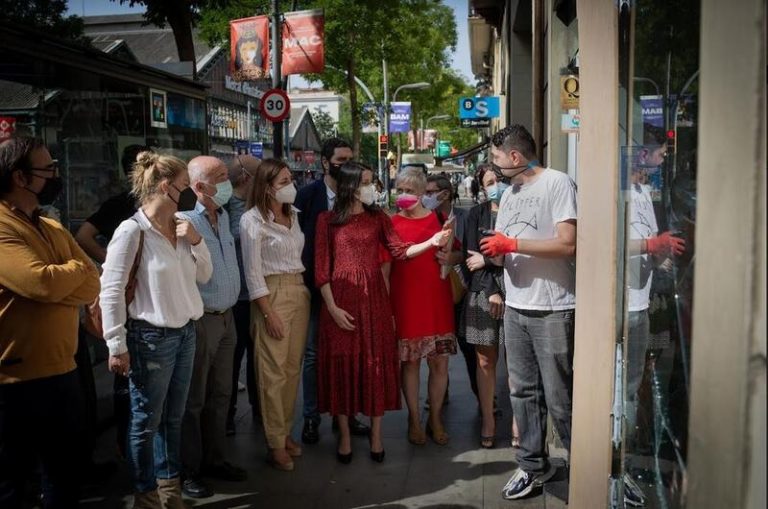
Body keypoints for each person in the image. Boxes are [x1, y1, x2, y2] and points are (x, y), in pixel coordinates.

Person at [315, 162, 450, 464]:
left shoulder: (378, 219)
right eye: (365, 182)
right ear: (350, 185)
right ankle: (345, 436)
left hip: (374, 300)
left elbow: (400, 251)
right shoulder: (327, 220)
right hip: (340, 301)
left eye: (371, 182)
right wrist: (332, 307)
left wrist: (430, 242)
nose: (371, 188)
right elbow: (321, 269)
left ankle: (377, 436)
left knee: (375, 366)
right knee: (342, 368)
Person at [100, 151, 212, 508]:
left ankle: (169, 491)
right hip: (150, 337)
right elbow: (112, 289)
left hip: (186, 333)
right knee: (146, 420)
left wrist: (196, 240)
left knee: (173, 419)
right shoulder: (132, 231)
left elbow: (204, 275)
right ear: (166, 187)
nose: (190, 194)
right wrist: (116, 342)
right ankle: (146, 494)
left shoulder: (181, 226)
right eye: (184, 187)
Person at [0, 136, 101, 508]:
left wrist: (66, 276)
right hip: (14, 380)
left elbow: (92, 280)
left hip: (63, 370)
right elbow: (40, 283)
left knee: (64, 474)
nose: (56, 176)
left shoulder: (51, 226)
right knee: (12, 481)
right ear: (20, 178)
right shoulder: (2, 225)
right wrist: (71, 272)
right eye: (48, 170)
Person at [478, 125, 577, 500]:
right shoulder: (511, 193)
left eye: (497, 159)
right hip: (517, 305)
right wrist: (494, 252)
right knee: (522, 393)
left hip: (552, 306)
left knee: (560, 397)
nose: (495, 166)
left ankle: (584, 469)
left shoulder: (558, 183)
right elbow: (505, 247)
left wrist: (513, 242)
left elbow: (568, 244)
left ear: (515, 157)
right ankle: (534, 466)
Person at [622, 124, 685, 508]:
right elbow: (609, 241)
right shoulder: (621, 192)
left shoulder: (645, 192)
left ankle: (626, 462)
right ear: (642, 153)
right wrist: (651, 244)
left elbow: (648, 247)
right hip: (622, 305)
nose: (662, 160)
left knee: (634, 388)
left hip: (642, 301)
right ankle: (617, 467)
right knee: (623, 393)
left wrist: (661, 255)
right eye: (660, 154)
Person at [179, 156, 246, 498]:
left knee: (221, 394)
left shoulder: (224, 216)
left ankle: (215, 459)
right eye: (220, 177)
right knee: (194, 399)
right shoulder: (185, 222)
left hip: (228, 317)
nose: (227, 182)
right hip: (202, 320)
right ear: (199, 187)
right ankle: (188, 470)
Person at [295, 137, 370, 444]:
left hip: (351, 292)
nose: (346, 166)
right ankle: (312, 417)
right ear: (325, 163)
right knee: (313, 354)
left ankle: (348, 415)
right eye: (340, 160)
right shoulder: (306, 197)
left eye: (350, 159)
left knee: (349, 355)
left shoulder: (360, 199)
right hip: (316, 289)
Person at [75, 143, 147, 461]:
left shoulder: (158, 203)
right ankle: (127, 443)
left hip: (146, 299)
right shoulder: (122, 206)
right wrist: (114, 262)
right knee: (126, 375)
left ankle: (133, 443)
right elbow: (83, 236)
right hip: (129, 299)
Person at [240, 158, 310, 471]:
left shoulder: (293, 215)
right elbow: (253, 273)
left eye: (290, 179)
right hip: (272, 295)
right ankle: (274, 442)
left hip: (298, 289)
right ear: (267, 187)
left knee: (292, 369)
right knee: (272, 372)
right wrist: (268, 313)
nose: (290, 185)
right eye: (283, 181)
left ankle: (285, 433)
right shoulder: (252, 221)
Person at [389, 167, 458, 446]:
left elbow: (457, 253)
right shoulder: (390, 223)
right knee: (411, 363)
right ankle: (414, 419)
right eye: (400, 191)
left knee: (440, 363)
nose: (404, 196)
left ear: (422, 194)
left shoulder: (440, 218)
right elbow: (390, 260)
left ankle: (435, 417)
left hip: (437, 299)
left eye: (410, 191)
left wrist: (448, 255)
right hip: (405, 300)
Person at [462, 164, 519, 449]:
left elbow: (520, 255)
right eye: (490, 181)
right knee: (485, 360)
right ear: (482, 187)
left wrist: (490, 260)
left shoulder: (520, 212)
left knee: (517, 363)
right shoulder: (476, 214)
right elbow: (471, 258)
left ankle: (517, 422)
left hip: (518, 294)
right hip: (484, 294)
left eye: (500, 179)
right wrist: (494, 288)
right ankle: (488, 418)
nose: (496, 185)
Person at [424, 174, 475, 406]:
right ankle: (439, 394)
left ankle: (483, 396)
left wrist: (455, 256)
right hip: (434, 292)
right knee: (436, 351)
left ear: (444, 194)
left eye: (430, 192)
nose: (426, 197)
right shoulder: (425, 218)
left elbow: (471, 250)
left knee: (467, 345)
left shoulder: (466, 217)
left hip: (462, 290)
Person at [226, 155, 261, 436]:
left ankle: (261, 411)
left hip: (259, 294)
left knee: (259, 359)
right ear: (246, 177)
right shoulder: (224, 207)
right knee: (232, 359)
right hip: (234, 297)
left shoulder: (261, 205)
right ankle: (227, 416)